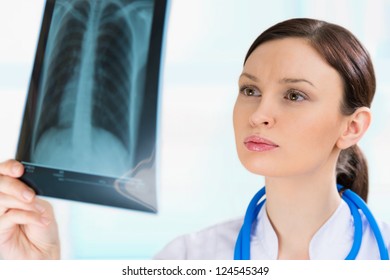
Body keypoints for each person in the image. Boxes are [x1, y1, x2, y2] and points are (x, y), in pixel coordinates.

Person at [0, 18, 389, 260]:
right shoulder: (187, 257)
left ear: (352, 127)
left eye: (294, 95)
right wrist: (39, 266)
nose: (257, 115)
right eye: (249, 90)